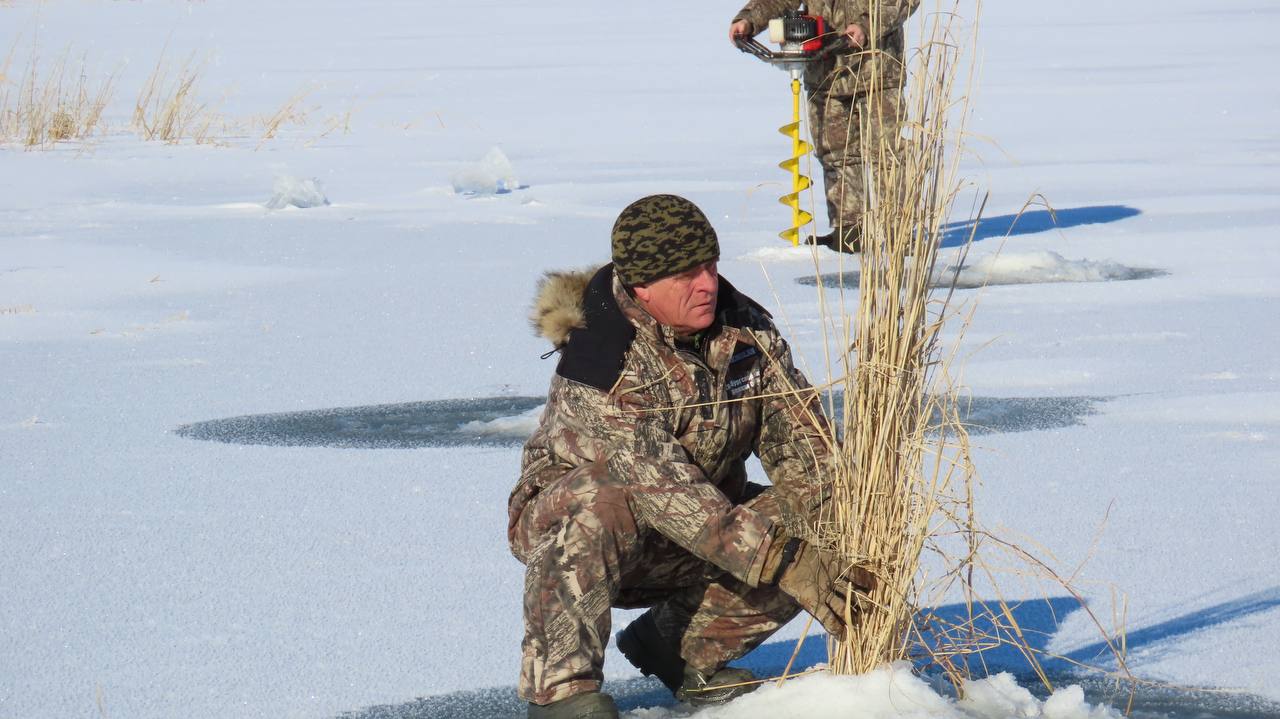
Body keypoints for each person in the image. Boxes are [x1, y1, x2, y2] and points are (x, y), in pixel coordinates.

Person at [509, 194, 874, 719]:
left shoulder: (746, 331)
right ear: (641, 287)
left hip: (705, 521)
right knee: (604, 495)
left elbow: (805, 446)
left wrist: (834, 531)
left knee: (829, 508)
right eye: (686, 275)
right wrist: (786, 562)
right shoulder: (600, 361)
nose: (707, 284)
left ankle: (683, 649)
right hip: (587, 528)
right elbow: (664, 490)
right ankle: (562, 693)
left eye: (710, 265)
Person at [729, 0, 921, 253]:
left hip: (876, 72)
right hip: (824, 71)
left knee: (886, 155)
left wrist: (865, 25)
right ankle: (849, 231)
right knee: (834, 153)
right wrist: (749, 20)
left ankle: (900, 234)